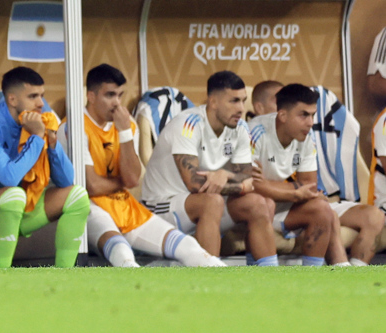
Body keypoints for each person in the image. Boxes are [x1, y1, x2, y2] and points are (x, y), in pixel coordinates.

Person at [64, 64, 224, 268]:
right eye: (110, 95)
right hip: (90, 207)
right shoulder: (73, 126)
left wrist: (124, 134)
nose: (116, 103)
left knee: (190, 248)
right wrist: (121, 181)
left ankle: (222, 291)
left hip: (125, 204)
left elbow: (131, 180)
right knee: (123, 253)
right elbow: (93, 187)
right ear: (91, 96)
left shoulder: (127, 125)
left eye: (120, 95)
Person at [140, 71, 278, 265]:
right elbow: (195, 185)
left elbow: (249, 177)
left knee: (261, 204)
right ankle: (210, 279)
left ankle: (270, 279)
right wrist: (242, 184)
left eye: (243, 101)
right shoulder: (188, 124)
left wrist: (225, 174)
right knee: (212, 201)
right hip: (161, 207)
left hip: (206, 206)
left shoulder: (240, 128)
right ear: (213, 102)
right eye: (234, 101)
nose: (240, 108)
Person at [249, 84, 385, 265]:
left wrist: (281, 189)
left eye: (313, 115)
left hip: (289, 204)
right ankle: (340, 269)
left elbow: (309, 185)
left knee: (335, 209)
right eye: (304, 115)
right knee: (320, 208)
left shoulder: (306, 136)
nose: (311, 122)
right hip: (259, 206)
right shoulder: (254, 132)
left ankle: (342, 275)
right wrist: (294, 192)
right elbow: (251, 184)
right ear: (282, 115)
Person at [0, 67, 88, 269]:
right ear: (12, 100)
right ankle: (0, 276)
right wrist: (36, 138)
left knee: (78, 196)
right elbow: (8, 178)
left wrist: (50, 142)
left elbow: (67, 180)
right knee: (14, 195)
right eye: (33, 96)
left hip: (21, 202)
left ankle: (66, 276)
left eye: (42, 96)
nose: (41, 103)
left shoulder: (40, 119)